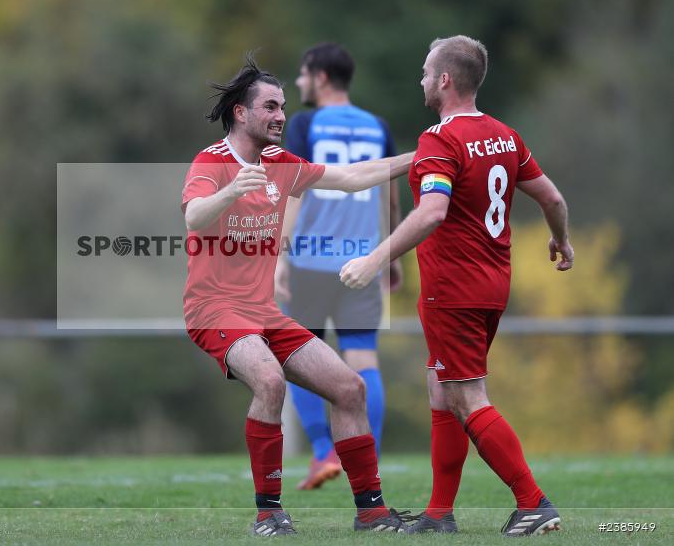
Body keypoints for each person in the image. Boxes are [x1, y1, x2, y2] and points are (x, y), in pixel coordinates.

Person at [339, 35, 573, 536]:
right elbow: (551, 198)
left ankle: (533, 503)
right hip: (492, 286)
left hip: (453, 289)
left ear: (444, 80)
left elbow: (432, 211)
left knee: (468, 396)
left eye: (426, 71)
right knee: (441, 388)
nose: (421, 79)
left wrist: (376, 258)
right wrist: (562, 243)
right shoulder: (505, 136)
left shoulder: (441, 141)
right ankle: (439, 514)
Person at [182, 55, 414, 536]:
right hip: (213, 310)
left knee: (350, 388)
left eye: (283, 106)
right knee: (269, 380)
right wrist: (228, 194)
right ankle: (268, 514)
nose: (281, 115)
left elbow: (351, 178)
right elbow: (194, 216)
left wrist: (424, 154)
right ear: (241, 113)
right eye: (270, 106)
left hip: (263, 312)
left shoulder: (281, 164)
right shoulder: (213, 162)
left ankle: (371, 512)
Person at [273, 43, 402, 490]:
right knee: (363, 356)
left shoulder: (306, 124)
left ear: (322, 78)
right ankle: (370, 461)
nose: (299, 83)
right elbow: (389, 188)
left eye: (303, 75)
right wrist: (392, 252)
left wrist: (280, 253)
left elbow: (294, 188)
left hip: (309, 256)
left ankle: (325, 451)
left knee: (295, 357)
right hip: (363, 259)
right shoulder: (377, 126)